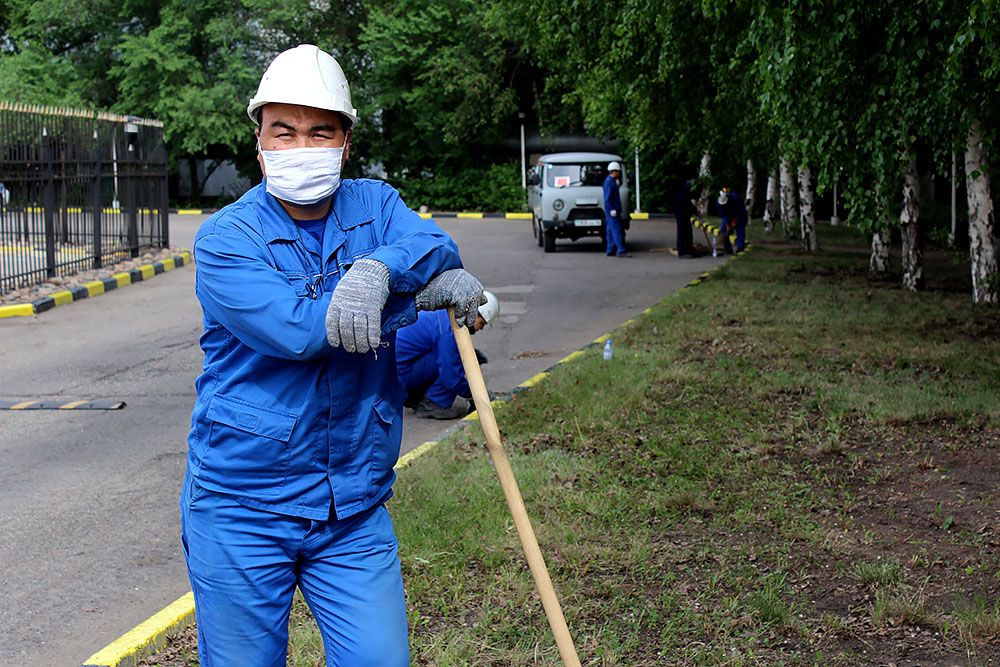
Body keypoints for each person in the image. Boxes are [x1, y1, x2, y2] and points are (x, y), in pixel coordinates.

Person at [181, 44, 484, 667]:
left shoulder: (374, 205)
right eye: (283, 131)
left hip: (352, 504)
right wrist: (415, 299)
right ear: (259, 141)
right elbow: (298, 331)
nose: (301, 145)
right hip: (243, 506)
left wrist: (382, 266)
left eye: (320, 131)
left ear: (345, 142)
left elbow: (434, 241)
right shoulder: (225, 238)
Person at [396, 290, 500, 419]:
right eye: (482, 323)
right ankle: (432, 404)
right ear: (474, 314)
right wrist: (477, 395)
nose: (481, 329)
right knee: (455, 361)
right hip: (399, 377)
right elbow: (451, 375)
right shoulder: (450, 329)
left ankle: (416, 397)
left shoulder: (445, 313)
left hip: (396, 371)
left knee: (453, 356)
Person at [603, 161, 629, 257]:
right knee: (616, 229)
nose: (618, 173)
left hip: (611, 210)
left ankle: (610, 250)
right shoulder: (610, 182)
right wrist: (612, 209)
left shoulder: (610, 181)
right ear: (614, 171)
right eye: (617, 171)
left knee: (610, 230)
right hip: (612, 210)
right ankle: (621, 250)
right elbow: (608, 198)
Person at [716, 187, 749, 253]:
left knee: (740, 230)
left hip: (740, 215)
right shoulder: (719, 203)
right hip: (728, 216)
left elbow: (741, 209)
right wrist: (727, 224)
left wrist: (736, 219)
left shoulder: (735, 198)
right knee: (724, 229)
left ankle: (740, 247)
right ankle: (727, 247)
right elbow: (723, 215)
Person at [674, 179, 697, 257]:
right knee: (683, 233)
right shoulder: (683, 194)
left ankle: (688, 248)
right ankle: (682, 250)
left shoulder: (684, 193)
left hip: (683, 215)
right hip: (682, 215)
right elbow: (687, 205)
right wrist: (694, 210)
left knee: (687, 233)